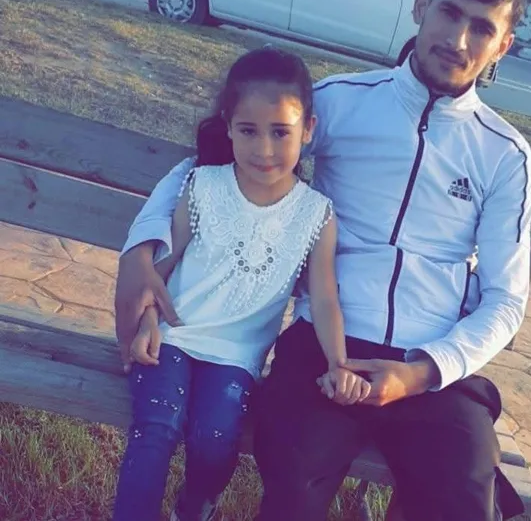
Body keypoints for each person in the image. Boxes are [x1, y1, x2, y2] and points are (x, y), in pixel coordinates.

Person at [115, 0, 531, 521]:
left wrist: (423, 372)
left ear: (503, 45)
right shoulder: (341, 103)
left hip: (432, 367)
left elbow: (505, 300)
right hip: (324, 347)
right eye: (449, 12)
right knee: (291, 482)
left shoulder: (504, 155)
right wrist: (142, 247)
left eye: (482, 28)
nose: (458, 40)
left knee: (462, 502)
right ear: (422, 5)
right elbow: (214, 163)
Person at [112, 48, 370, 521]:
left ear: (308, 130)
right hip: (173, 337)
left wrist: (339, 362)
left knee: (214, 440)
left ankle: (195, 506)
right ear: (228, 126)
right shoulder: (203, 186)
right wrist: (146, 318)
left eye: (281, 132)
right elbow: (162, 267)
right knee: (156, 427)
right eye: (248, 130)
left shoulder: (316, 214)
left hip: (236, 357)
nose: (264, 149)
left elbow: (324, 298)